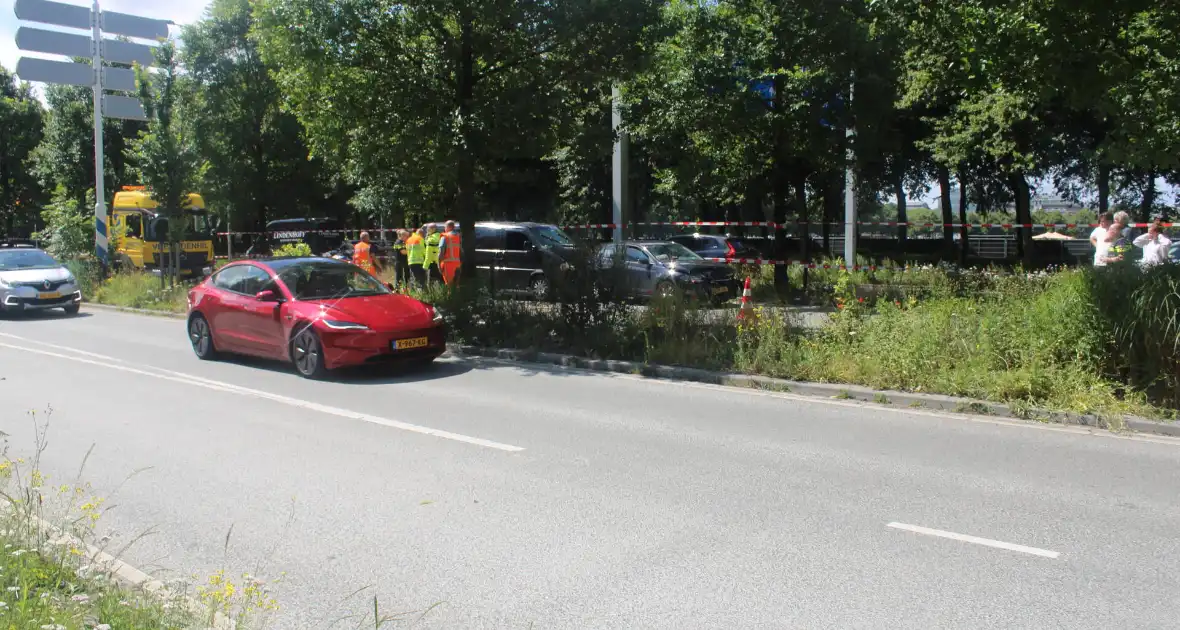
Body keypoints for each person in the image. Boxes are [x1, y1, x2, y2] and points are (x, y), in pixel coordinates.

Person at [438, 220, 462, 285]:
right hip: (457, 264)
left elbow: (441, 253)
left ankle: (450, 295)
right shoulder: (458, 237)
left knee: (449, 286)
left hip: (448, 265)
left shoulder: (444, 237)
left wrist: (439, 266)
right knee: (456, 285)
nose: (444, 229)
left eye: (445, 227)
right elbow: (461, 251)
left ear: (448, 227)